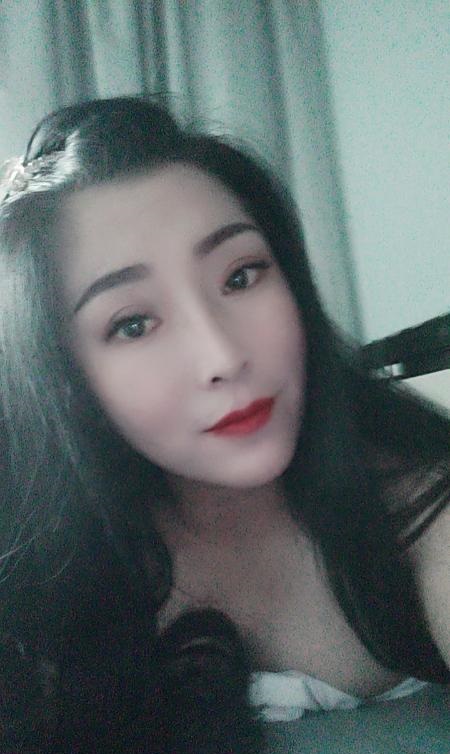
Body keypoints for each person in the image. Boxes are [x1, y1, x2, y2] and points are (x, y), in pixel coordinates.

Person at [0, 96, 448, 753]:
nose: (223, 356)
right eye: (133, 324)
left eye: (241, 276)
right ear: (61, 379)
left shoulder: (418, 503)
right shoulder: (37, 591)